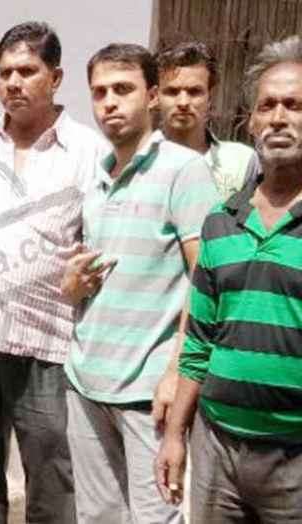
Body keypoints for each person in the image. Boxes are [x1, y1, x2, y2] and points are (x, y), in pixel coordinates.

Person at [0, 22, 107, 524]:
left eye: (27, 71)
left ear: (55, 78)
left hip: (47, 346)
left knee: (52, 475)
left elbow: (100, 242)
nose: (13, 82)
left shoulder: (88, 152)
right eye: (5, 72)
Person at [61, 43, 219, 524]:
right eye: (100, 92)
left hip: (149, 392)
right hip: (86, 381)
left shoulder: (184, 170)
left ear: (151, 96)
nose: (109, 102)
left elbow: (206, 280)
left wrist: (176, 373)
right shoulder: (97, 177)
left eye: (123, 89)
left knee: (156, 518)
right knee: (98, 517)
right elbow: (90, 281)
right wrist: (72, 284)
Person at [155, 34, 302, 523]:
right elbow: (198, 342)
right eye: (267, 106)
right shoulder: (221, 222)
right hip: (217, 449)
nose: (278, 117)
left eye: (294, 105)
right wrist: (175, 436)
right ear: (251, 121)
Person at [155, 42, 258, 199]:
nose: (183, 102)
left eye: (194, 92)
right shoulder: (136, 165)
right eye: (172, 92)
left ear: (210, 98)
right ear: (155, 97)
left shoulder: (241, 163)